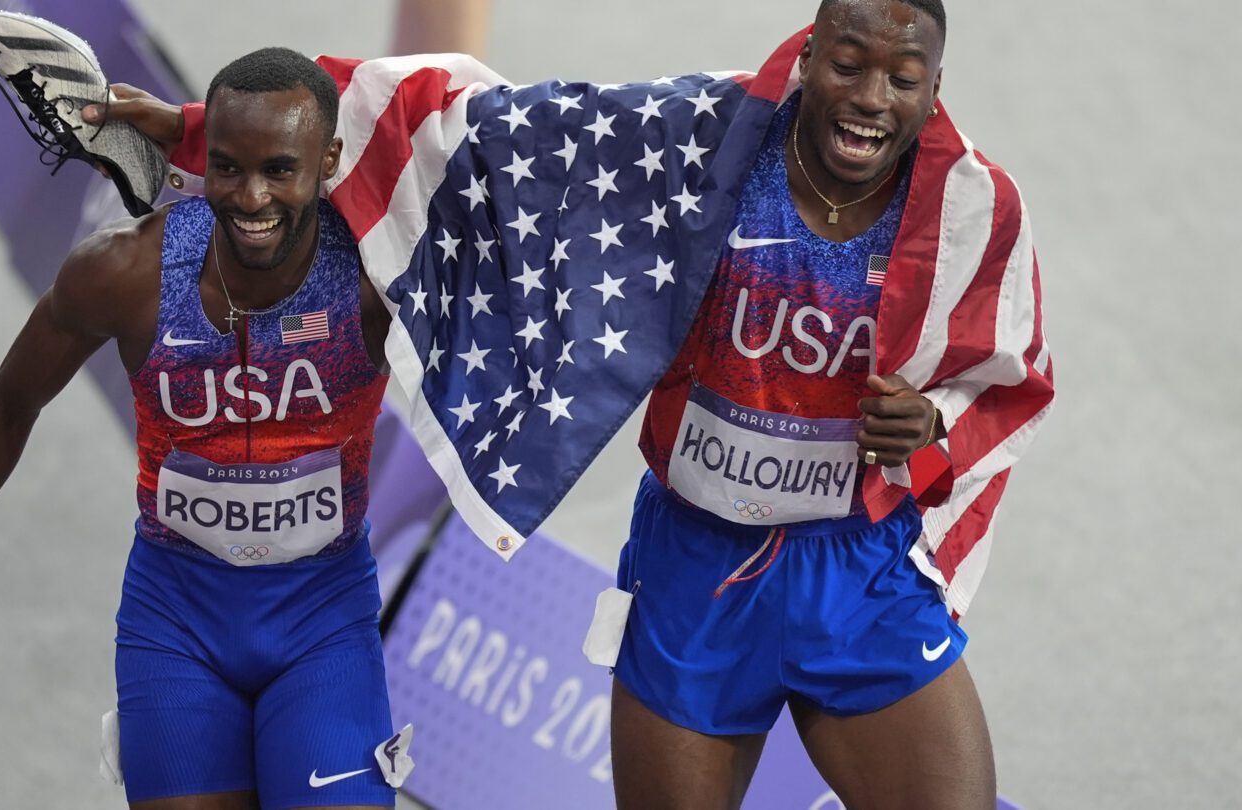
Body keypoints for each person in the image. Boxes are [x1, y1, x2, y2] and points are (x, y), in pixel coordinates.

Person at [57, 1, 1055, 807]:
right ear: (807, 56)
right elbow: (481, 126)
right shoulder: (704, 142)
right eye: (848, 62)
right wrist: (196, 136)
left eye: (902, 76)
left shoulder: (974, 212)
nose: (869, 96)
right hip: (691, 573)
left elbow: (1003, 389)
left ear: (934, 88)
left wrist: (929, 428)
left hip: (854, 576)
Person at [0, 44, 412, 810]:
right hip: (177, 621)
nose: (251, 198)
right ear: (202, 160)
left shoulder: (379, 281)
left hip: (322, 620)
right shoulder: (124, 273)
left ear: (329, 161)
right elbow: (8, 406)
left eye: (281, 170)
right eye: (228, 168)